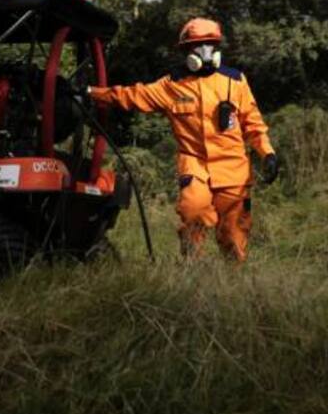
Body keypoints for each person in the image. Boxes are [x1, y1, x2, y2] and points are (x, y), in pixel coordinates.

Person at [88, 17, 278, 262]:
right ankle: (192, 270)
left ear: (218, 48)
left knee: (233, 231)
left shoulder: (236, 82)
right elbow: (132, 95)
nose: (205, 51)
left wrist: (268, 153)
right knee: (194, 211)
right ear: (187, 51)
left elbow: (253, 123)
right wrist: (93, 93)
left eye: (210, 44)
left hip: (233, 169)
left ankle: (234, 279)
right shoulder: (172, 85)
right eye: (197, 46)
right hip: (195, 165)